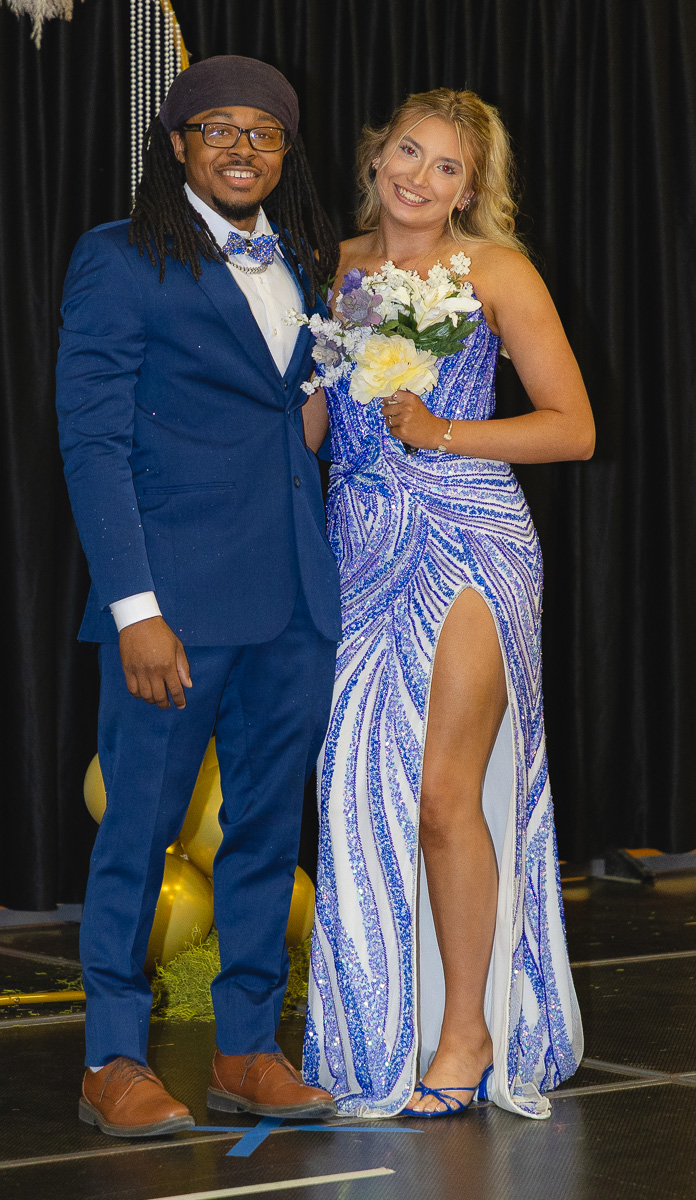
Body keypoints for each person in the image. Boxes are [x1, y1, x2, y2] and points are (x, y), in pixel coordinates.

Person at [56, 55, 342, 1138]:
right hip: (171, 610)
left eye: (261, 134)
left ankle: (243, 1050)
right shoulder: (119, 258)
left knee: (267, 837)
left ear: (283, 152)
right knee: (135, 833)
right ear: (174, 145)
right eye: (215, 130)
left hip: (292, 606)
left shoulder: (302, 263)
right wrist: (135, 609)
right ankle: (112, 1061)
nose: (239, 149)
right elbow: (90, 442)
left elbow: (287, 422)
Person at [300, 89, 592, 1120]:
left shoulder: (495, 271)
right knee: (354, 795)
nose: (418, 178)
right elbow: (314, 429)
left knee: (438, 797)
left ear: (473, 188)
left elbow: (571, 429)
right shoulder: (330, 266)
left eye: (446, 168)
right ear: (375, 154)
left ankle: (466, 1032)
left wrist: (441, 436)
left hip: (471, 534)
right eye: (407, 153)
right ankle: (372, 1029)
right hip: (357, 543)